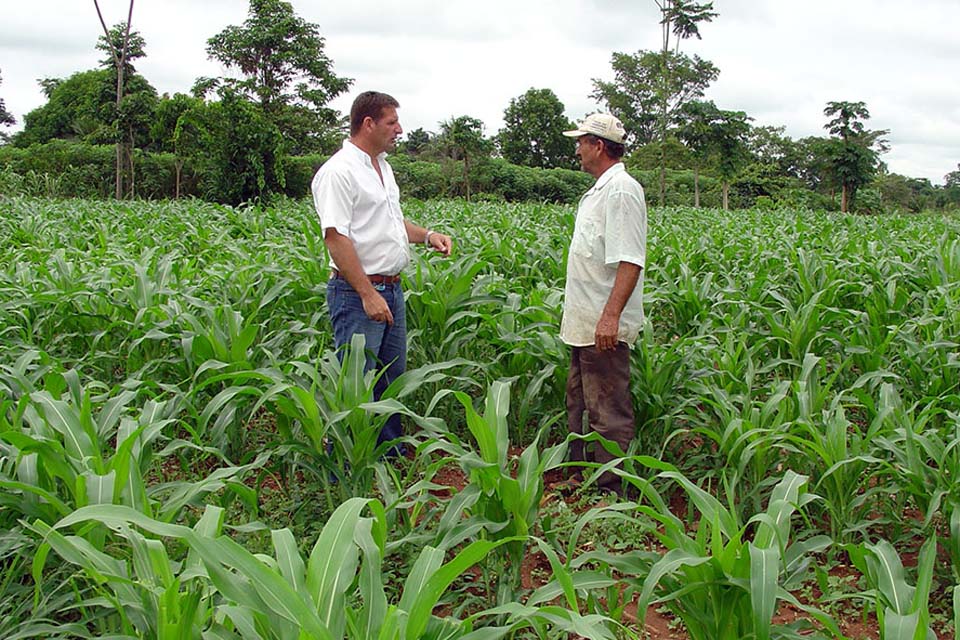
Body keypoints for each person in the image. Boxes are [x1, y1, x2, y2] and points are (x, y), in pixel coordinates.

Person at [311, 91, 452, 453]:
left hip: (391, 289)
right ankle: (343, 465)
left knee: (391, 380)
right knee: (355, 383)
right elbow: (336, 237)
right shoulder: (338, 172)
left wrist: (428, 236)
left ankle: (389, 456)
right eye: (392, 122)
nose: (399, 130)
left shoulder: (382, 167)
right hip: (358, 294)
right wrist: (366, 293)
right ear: (368, 123)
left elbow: (389, 221)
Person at [560, 113, 647, 495]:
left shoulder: (622, 191)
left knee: (608, 411)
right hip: (585, 324)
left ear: (598, 146)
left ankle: (612, 493)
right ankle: (582, 478)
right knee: (580, 405)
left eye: (581, 142)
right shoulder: (599, 190)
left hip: (602, 325)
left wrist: (610, 317)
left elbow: (630, 260)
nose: (577, 148)